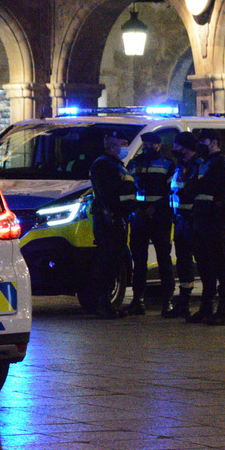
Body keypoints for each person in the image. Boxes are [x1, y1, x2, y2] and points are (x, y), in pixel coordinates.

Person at [188, 128, 225, 326]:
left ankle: (224, 309)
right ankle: (206, 307)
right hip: (200, 216)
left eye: (203, 140)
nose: (200, 144)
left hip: (214, 216)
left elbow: (214, 185)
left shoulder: (223, 164)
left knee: (219, 263)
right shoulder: (203, 163)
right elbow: (191, 187)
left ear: (214, 142)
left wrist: (197, 185)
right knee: (203, 263)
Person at [125, 132, 176, 316]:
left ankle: (168, 301)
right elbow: (129, 186)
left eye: (151, 144)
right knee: (139, 261)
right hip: (140, 217)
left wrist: (154, 208)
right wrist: (137, 208)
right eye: (145, 143)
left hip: (160, 217)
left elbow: (170, 191)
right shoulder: (135, 163)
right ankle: (138, 300)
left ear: (159, 145)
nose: (147, 147)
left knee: (164, 259)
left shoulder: (167, 164)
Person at [89, 131, 137, 319]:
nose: (124, 147)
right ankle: (102, 303)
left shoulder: (117, 165)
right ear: (111, 146)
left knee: (114, 260)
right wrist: (115, 213)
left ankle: (105, 303)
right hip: (109, 220)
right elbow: (108, 195)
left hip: (118, 219)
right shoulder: (103, 165)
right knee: (107, 261)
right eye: (121, 144)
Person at [166, 131, 202, 318]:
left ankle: (207, 304)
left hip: (194, 221)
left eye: (177, 146)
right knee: (183, 263)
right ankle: (184, 303)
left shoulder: (198, 166)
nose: (174, 149)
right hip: (180, 220)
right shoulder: (180, 166)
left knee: (203, 262)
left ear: (186, 147)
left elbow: (192, 191)